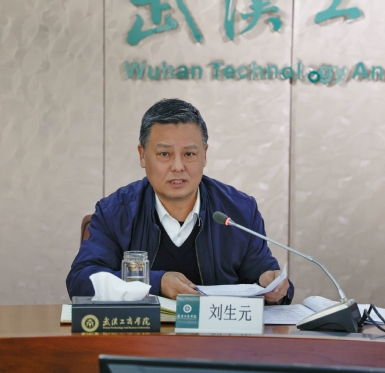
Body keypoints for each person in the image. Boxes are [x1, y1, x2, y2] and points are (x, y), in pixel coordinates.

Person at [66, 99, 294, 303]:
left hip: (217, 336)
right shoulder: (115, 213)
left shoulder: (239, 211)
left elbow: (263, 276)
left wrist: (272, 284)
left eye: (189, 154)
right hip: (140, 335)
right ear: (142, 155)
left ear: (204, 155)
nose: (177, 166)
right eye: (164, 154)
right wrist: (157, 283)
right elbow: (81, 280)